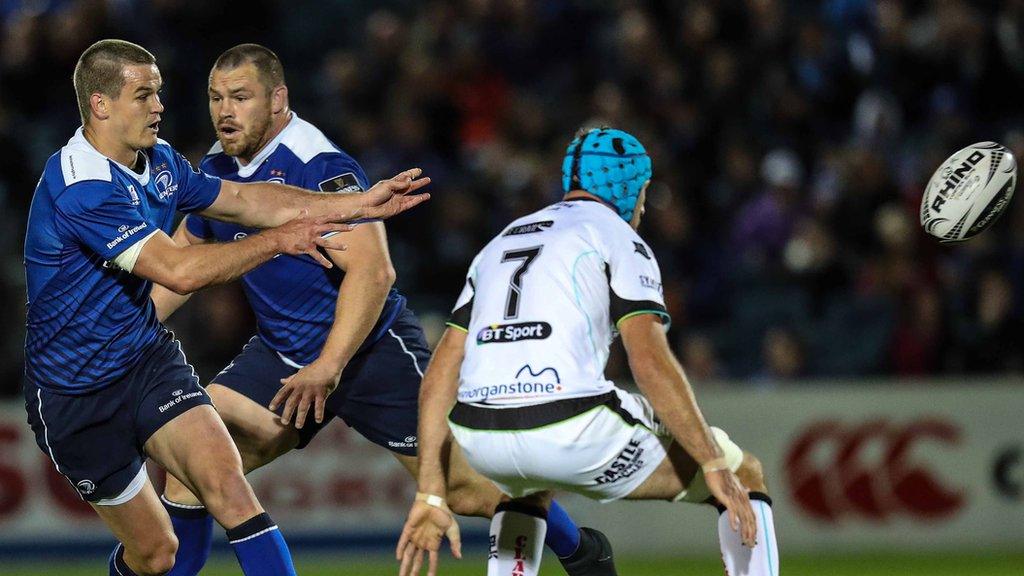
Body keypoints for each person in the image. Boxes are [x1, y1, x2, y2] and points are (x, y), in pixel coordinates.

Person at [149, 44, 613, 576]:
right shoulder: (216, 167)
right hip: (283, 356)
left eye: (240, 97)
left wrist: (329, 366)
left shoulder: (318, 165)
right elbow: (187, 257)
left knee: (464, 490)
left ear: (277, 99)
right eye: (215, 98)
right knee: (191, 462)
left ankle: (582, 551)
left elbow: (373, 272)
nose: (225, 111)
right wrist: (125, 334)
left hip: (371, 351)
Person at [23, 39, 428, 576]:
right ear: (101, 105)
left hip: (147, 363)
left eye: (159, 93)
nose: (159, 106)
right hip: (75, 392)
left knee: (229, 488)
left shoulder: (160, 159)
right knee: (155, 553)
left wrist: (354, 203)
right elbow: (180, 270)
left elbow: (245, 200)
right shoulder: (83, 187)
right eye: (143, 95)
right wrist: (279, 240)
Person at [397, 128, 781, 576]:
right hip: (572, 428)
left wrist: (429, 491)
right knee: (745, 473)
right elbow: (650, 361)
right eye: (643, 193)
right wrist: (712, 461)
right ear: (631, 188)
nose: (642, 205)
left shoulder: (501, 242)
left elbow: (440, 375)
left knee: (526, 491)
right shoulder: (617, 236)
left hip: (482, 437)